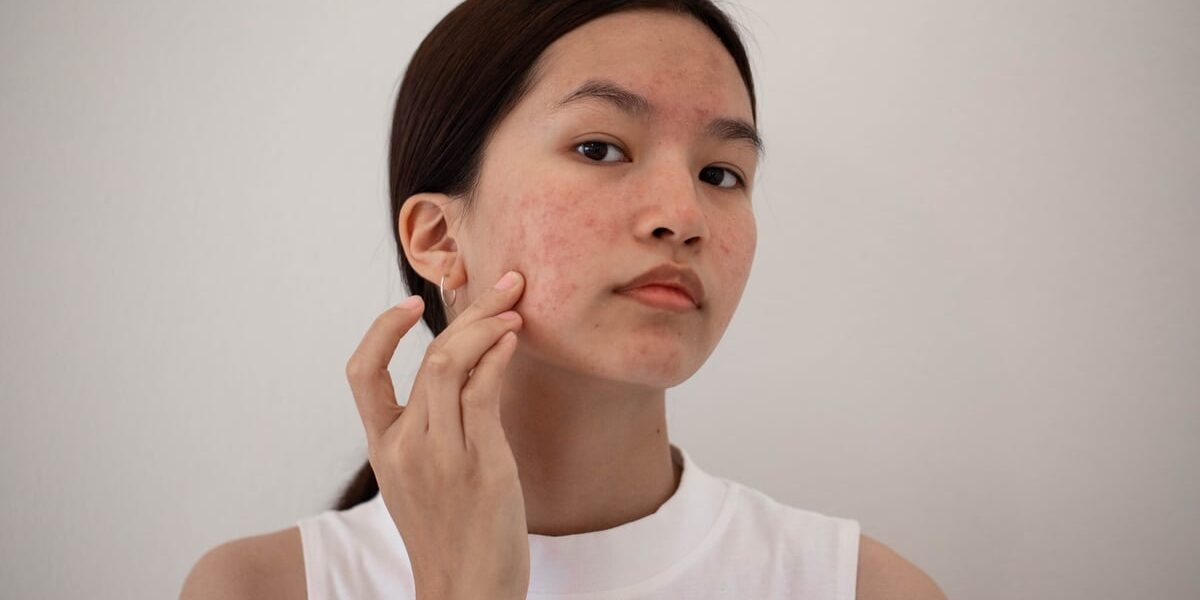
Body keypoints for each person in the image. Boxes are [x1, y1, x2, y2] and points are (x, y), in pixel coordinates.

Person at [181, 1, 947, 598]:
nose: (681, 218)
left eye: (721, 174)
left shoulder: (860, 589)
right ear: (440, 238)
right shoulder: (265, 589)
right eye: (600, 148)